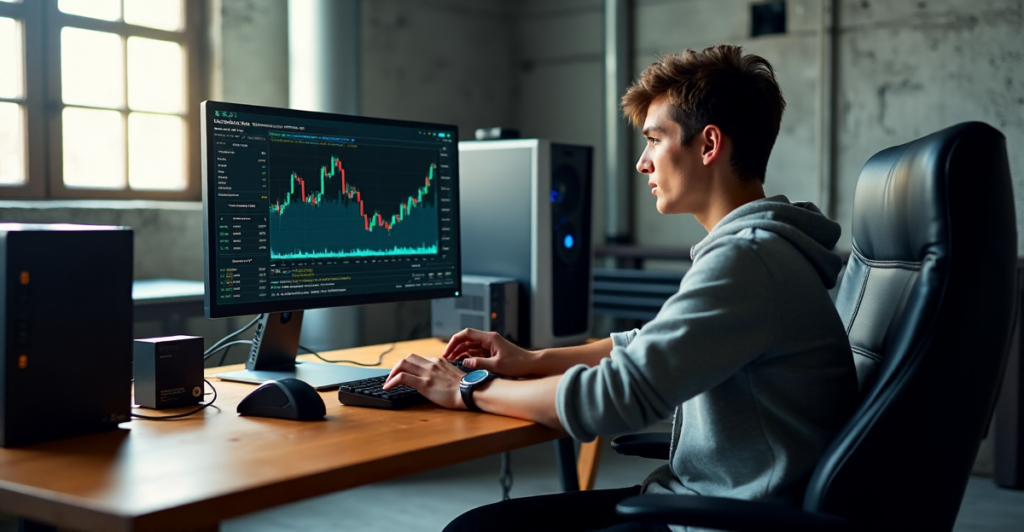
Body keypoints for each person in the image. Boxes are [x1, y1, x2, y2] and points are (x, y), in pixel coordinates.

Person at [383, 44, 859, 532]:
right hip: (702, 497)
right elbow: (645, 347)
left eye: (654, 139)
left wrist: (466, 388)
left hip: (718, 518)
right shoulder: (760, 248)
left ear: (708, 144)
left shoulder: (748, 258)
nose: (642, 163)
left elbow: (614, 396)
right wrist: (533, 359)